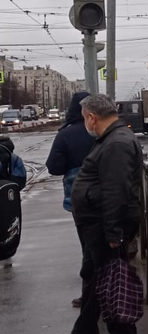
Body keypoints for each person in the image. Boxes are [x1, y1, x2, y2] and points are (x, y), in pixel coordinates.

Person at [51, 93, 143, 334]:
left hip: (105, 225)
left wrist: (114, 232)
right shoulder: (112, 138)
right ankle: (85, 331)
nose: (85, 124)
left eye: (84, 119)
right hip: (98, 223)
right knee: (93, 277)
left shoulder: (117, 143)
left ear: (92, 117)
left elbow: (117, 191)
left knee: (111, 280)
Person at [45, 90, 94, 307]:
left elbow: (54, 167)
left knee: (88, 245)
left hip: (79, 197)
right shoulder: (102, 130)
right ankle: (116, 290)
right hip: (111, 194)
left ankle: (91, 296)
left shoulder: (65, 134)